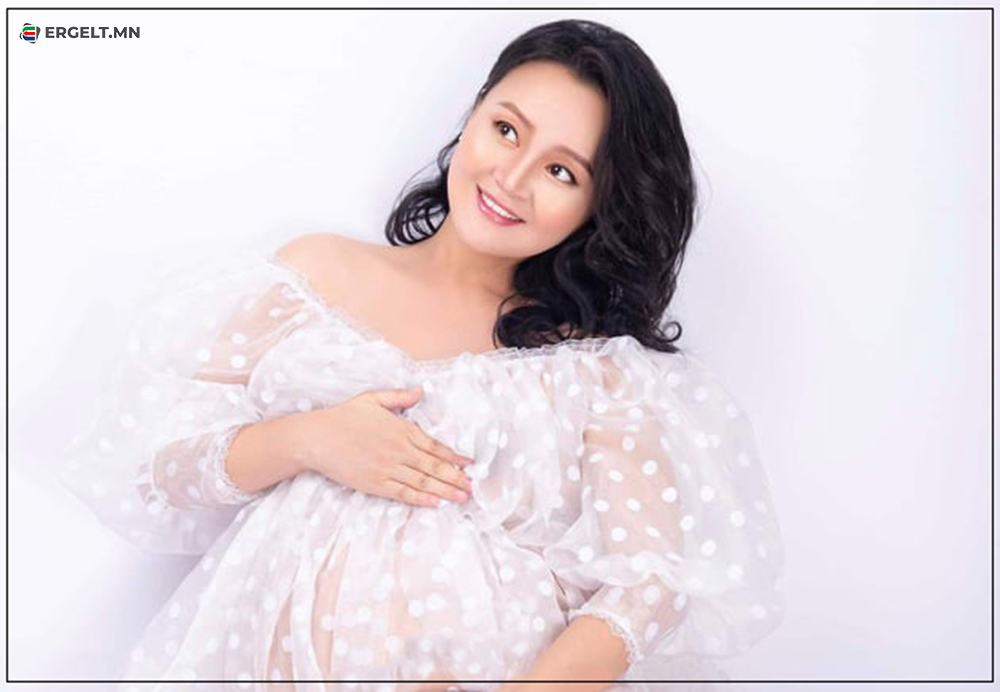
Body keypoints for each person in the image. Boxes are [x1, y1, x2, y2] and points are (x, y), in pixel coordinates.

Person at [59, 18, 785, 692]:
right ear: (472, 116)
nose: (512, 178)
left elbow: (653, 585)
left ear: (599, 207)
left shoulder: (594, 372)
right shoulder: (314, 277)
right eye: (507, 130)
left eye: (562, 172)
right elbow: (162, 470)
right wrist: (310, 439)